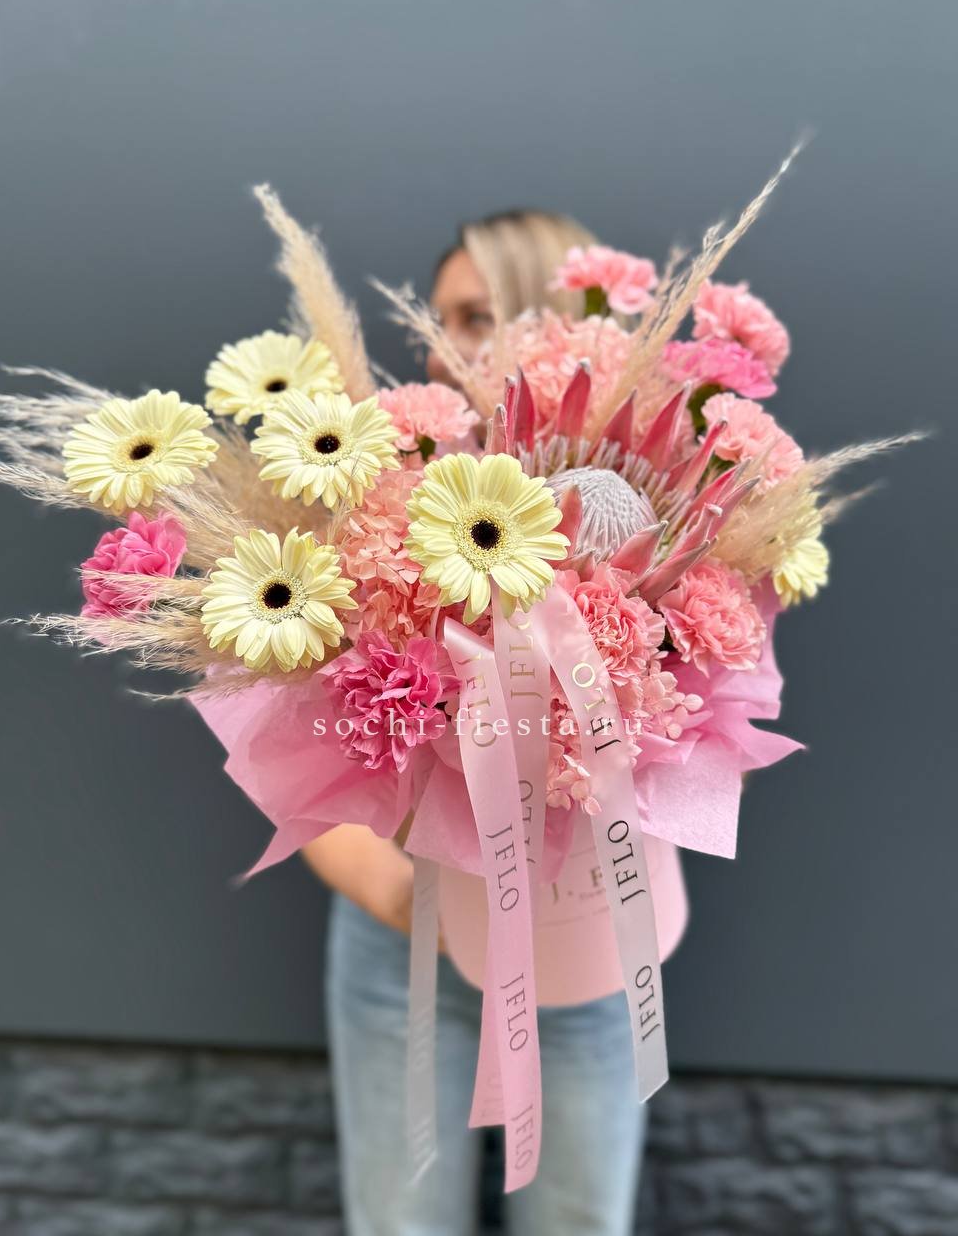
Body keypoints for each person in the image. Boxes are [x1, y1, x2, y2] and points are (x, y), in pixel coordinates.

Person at [304, 209, 653, 1236]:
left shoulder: (640, 505)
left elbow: (721, 731)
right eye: (443, 318)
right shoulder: (366, 494)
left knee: (581, 1220)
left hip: (581, 948)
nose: (447, 345)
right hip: (404, 939)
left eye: (479, 316)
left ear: (556, 323)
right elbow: (293, 727)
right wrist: (389, 889)